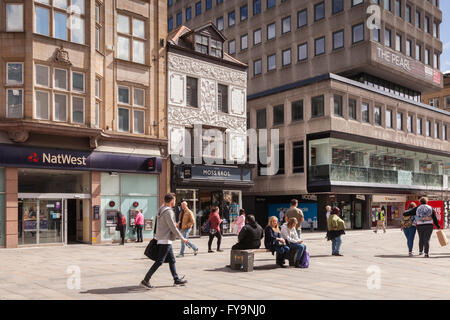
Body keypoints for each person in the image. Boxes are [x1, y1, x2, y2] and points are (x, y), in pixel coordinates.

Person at [140, 193, 189, 289]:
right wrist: (182, 238)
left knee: (172, 260)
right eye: (174, 200)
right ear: (171, 201)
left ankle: (176, 279)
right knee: (159, 261)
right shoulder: (168, 212)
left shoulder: (161, 209)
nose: (175, 201)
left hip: (163, 238)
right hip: (165, 239)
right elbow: (173, 227)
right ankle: (145, 280)